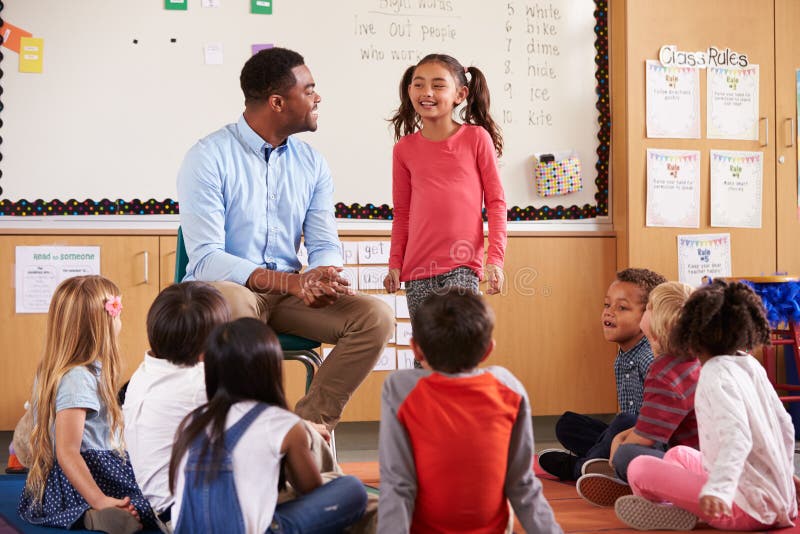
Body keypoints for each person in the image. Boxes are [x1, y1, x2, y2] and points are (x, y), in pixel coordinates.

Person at [176, 47, 394, 431]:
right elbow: (207, 258)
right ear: (278, 102)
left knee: (374, 317)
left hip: (287, 296)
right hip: (226, 292)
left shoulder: (312, 163)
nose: (318, 97)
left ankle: (307, 431)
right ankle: (245, 432)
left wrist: (324, 274)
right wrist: (292, 281)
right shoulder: (208, 157)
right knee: (235, 303)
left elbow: (323, 240)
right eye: (308, 89)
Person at [615, 280, 799, 531]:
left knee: (638, 466)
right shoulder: (748, 363)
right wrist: (785, 479)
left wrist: (718, 490)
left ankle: (671, 509)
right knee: (677, 454)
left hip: (741, 508)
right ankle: (682, 507)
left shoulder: (714, 373)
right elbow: (785, 426)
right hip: (778, 501)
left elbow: (737, 438)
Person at [378, 288, 562, 533]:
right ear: (488, 350)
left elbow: (398, 486)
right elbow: (522, 484)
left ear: (416, 349)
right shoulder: (509, 388)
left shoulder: (400, 389)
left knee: (361, 501)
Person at [169, 317, 367, 534]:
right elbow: (311, 490)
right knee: (352, 489)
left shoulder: (192, 420)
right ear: (270, 369)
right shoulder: (283, 424)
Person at [18, 275, 157, 534]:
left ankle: (87, 515)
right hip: (92, 476)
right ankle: (98, 512)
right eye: (117, 314)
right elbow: (68, 451)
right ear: (102, 323)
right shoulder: (77, 378)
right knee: (157, 501)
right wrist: (101, 500)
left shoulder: (59, 370)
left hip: (61, 485)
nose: (120, 320)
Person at [383, 53, 507, 320]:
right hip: (416, 270)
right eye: (419, 84)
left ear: (460, 94)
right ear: (409, 90)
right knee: (425, 352)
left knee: (458, 347)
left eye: (438, 85)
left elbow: (496, 203)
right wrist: (395, 264)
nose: (427, 92)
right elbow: (402, 213)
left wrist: (495, 260)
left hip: (463, 264)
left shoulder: (476, 138)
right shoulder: (403, 149)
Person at [577, 281, 700, 507]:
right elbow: (658, 425)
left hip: (698, 468)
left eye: (649, 307)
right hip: (697, 456)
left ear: (656, 322)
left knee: (627, 456)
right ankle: (631, 481)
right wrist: (622, 435)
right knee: (619, 436)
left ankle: (656, 492)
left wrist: (621, 444)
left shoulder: (664, 370)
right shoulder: (694, 360)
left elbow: (645, 438)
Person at [538, 268, 667, 481]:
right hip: (625, 436)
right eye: (607, 305)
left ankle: (579, 468)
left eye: (622, 308)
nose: (609, 312)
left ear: (648, 317)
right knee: (568, 424)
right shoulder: (623, 356)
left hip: (651, 441)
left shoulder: (649, 358)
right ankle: (596, 463)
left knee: (625, 420)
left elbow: (656, 423)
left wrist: (623, 434)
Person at [123, 282, 231, 525]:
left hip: (167, 511)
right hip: (200, 516)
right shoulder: (200, 384)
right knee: (334, 493)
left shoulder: (144, 372)